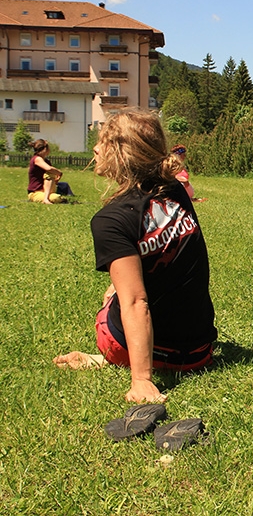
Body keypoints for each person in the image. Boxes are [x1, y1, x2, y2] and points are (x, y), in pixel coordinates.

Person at [54, 108, 218, 402]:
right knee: (118, 286)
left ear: (120, 154)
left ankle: (113, 358)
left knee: (115, 298)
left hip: (140, 350)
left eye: (103, 141)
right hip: (199, 351)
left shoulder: (110, 220)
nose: (95, 148)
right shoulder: (176, 190)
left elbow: (135, 301)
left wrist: (141, 381)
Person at [27, 139, 65, 204]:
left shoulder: (47, 161)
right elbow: (49, 169)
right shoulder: (37, 159)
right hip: (35, 192)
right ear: (45, 149)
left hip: (46, 190)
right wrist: (59, 173)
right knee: (49, 174)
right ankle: (46, 199)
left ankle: (48, 197)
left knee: (56, 198)